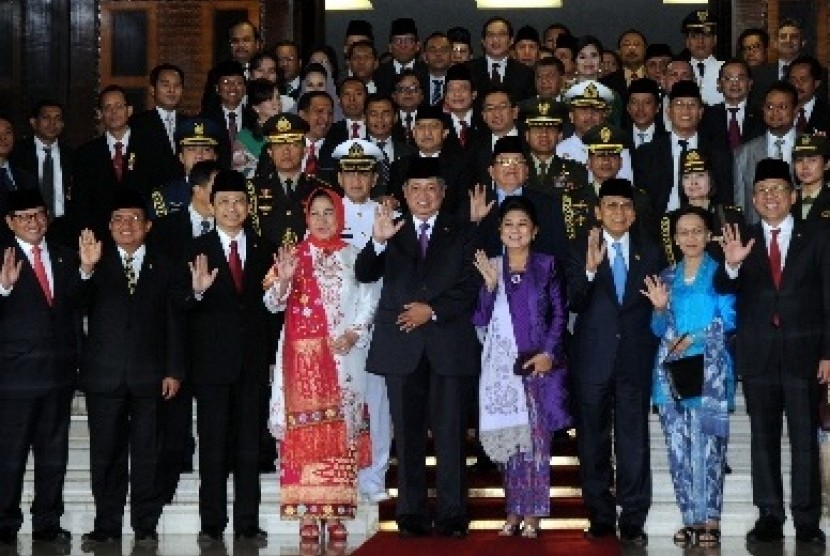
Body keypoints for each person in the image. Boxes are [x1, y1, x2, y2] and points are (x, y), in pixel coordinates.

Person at [355, 157, 481, 538]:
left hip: (448, 343)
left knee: (450, 433)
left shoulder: (462, 230)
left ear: (443, 193)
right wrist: (377, 241)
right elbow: (364, 273)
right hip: (401, 347)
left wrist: (433, 311)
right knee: (406, 436)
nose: (423, 196)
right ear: (404, 195)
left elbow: (469, 287)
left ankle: (453, 513)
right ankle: (409, 512)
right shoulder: (388, 230)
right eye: (415, 190)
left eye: (431, 189)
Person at [715, 158, 830, 546]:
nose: (770, 196)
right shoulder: (740, 236)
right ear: (753, 198)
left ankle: (807, 519)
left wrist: (828, 353)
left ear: (793, 196)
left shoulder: (818, 235)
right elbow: (723, 286)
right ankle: (769, 514)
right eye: (762, 191)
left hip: (805, 354)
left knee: (803, 440)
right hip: (759, 355)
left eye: (778, 189)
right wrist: (731, 266)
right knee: (762, 438)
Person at [265, 187, 379, 546]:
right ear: (306, 217)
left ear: (340, 216)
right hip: (300, 365)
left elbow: (368, 297)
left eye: (329, 212)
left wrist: (355, 331)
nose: (323, 219)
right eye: (315, 213)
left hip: (342, 358)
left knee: (338, 437)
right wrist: (283, 279)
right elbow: (270, 303)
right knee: (304, 439)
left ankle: (338, 514)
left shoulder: (354, 256)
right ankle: (308, 517)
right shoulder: (292, 256)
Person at [76, 189, 182, 546]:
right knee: (105, 453)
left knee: (148, 454)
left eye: (134, 219)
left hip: (150, 376)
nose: (126, 225)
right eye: (118, 219)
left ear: (148, 226)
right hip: (104, 375)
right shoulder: (95, 262)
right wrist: (86, 270)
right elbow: (74, 305)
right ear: (109, 226)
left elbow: (173, 323)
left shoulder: (165, 265)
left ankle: (145, 524)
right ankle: (106, 524)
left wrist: (173, 370)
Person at [178, 169, 275, 544]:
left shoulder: (265, 248)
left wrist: (270, 358)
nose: (232, 209)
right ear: (211, 206)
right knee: (213, 447)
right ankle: (212, 524)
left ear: (248, 207)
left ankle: (247, 523)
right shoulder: (194, 251)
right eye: (224, 203)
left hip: (252, 364)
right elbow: (180, 306)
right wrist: (197, 292)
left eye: (238, 202)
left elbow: (273, 311)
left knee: (250, 447)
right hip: (210, 365)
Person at [566, 178, 664, 546]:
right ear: (597, 211)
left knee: (633, 439)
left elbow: (656, 304)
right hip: (592, 359)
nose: (618, 213)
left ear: (634, 214)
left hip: (635, 358)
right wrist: (590, 270)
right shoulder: (579, 249)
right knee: (592, 439)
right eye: (610, 206)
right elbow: (573, 301)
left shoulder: (651, 251)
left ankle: (634, 518)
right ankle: (601, 515)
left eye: (625, 206)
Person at [471, 196, 570, 538]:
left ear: (535, 230)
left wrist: (549, 354)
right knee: (511, 444)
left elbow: (559, 315)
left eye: (522, 224)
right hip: (503, 370)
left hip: (539, 367)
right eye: (509, 225)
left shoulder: (547, 265)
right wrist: (487, 288)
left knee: (537, 444)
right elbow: (480, 320)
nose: (515, 231)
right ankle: (512, 511)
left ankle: (534, 515)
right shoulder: (492, 267)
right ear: (499, 230)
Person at [641, 204, 736, 548]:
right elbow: (656, 328)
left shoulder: (721, 273)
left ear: (708, 235)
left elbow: (731, 318)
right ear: (675, 239)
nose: (691, 237)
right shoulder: (666, 277)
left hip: (709, 370)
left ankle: (711, 519)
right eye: (684, 232)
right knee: (678, 450)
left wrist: (694, 338)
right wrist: (660, 308)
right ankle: (690, 519)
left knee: (710, 449)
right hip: (671, 374)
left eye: (697, 230)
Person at [0, 189, 80, 548]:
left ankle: (48, 523)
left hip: (58, 376)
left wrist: (89, 272)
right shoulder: (1, 259)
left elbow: (82, 307)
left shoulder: (66, 258)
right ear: (10, 222)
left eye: (38, 214)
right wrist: (2, 288)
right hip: (14, 379)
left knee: (53, 458)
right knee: (9, 458)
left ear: (48, 216)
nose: (33, 222)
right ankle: (4, 523)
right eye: (24, 216)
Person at [656, 149, 744, 266]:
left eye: (700, 175)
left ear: (711, 180)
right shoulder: (669, 221)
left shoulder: (731, 217)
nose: (693, 182)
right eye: (687, 177)